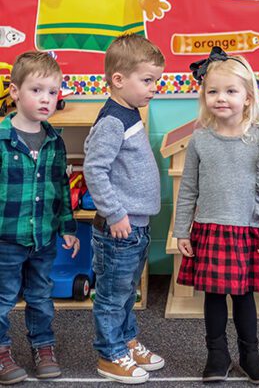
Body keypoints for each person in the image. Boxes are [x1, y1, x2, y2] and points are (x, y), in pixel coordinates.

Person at [173, 46, 259, 384]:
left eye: (231, 91)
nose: (221, 98)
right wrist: (181, 231)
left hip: (247, 230)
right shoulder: (200, 139)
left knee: (244, 296)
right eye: (213, 91)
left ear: (248, 97)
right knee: (213, 296)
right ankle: (217, 354)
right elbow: (188, 188)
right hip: (209, 229)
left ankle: (250, 354)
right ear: (204, 96)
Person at [83, 34, 165, 384]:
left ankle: (127, 341)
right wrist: (115, 213)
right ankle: (110, 354)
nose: (154, 88)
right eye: (147, 80)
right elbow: (94, 169)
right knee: (112, 296)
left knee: (126, 293)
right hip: (119, 228)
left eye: (156, 81)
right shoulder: (113, 121)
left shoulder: (129, 113)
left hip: (136, 227)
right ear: (118, 80)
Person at [0, 51, 80, 384]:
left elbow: (62, 187)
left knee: (40, 296)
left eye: (52, 91)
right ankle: (1, 351)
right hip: (6, 239)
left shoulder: (55, 141)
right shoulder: (3, 140)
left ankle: (43, 345)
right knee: (3, 298)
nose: (46, 99)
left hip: (44, 238)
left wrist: (67, 227)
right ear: (15, 91)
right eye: (36, 90)